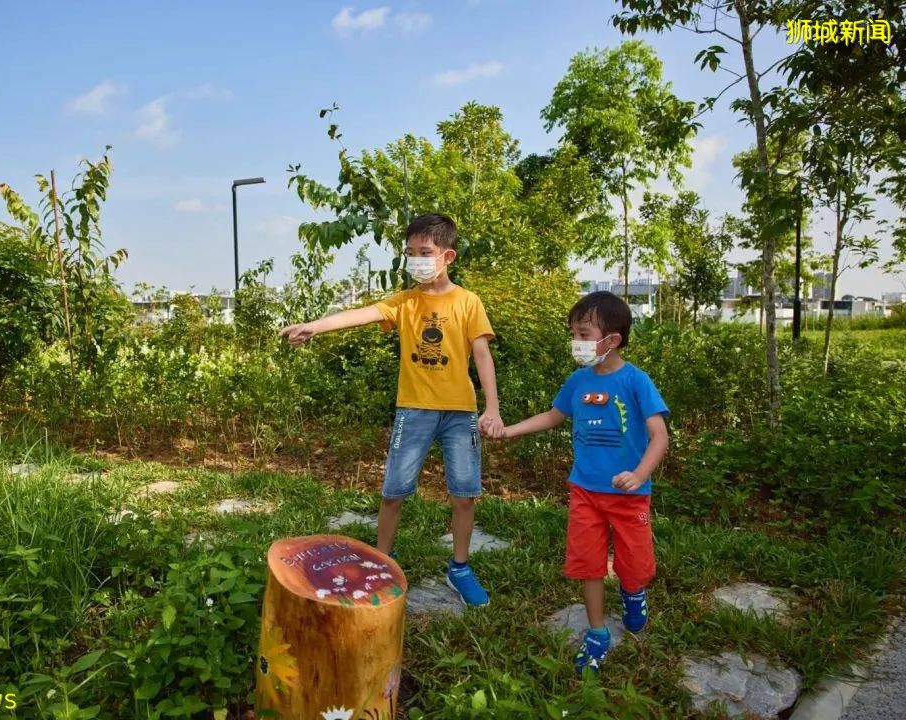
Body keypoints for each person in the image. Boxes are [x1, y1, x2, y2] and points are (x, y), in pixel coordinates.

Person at [279, 213, 501, 607]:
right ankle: (382, 562)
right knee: (394, 492)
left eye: (425, 252)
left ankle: (460, 568)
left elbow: (482, 355)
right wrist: (314, 325)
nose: (416, 259)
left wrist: (492, 408)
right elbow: (361, 314)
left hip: (460, 414)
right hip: (412, 411)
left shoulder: (469, 302)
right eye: (410, 253)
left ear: (447, 255)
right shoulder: (405, 301)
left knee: (464, 495)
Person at [484, 291, 669, 671]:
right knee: (588, 565)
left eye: (584, 334)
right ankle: (598, 633)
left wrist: (639, 474)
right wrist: (509, 431)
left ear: (612, 339)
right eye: (573, 333)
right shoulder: (577, 381)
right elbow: (553, 416)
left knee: (635, 566)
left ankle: (634, 593)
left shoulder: (636, 382)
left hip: (629, 497)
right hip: (585, 492)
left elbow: (660, 435)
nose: (576, 343)